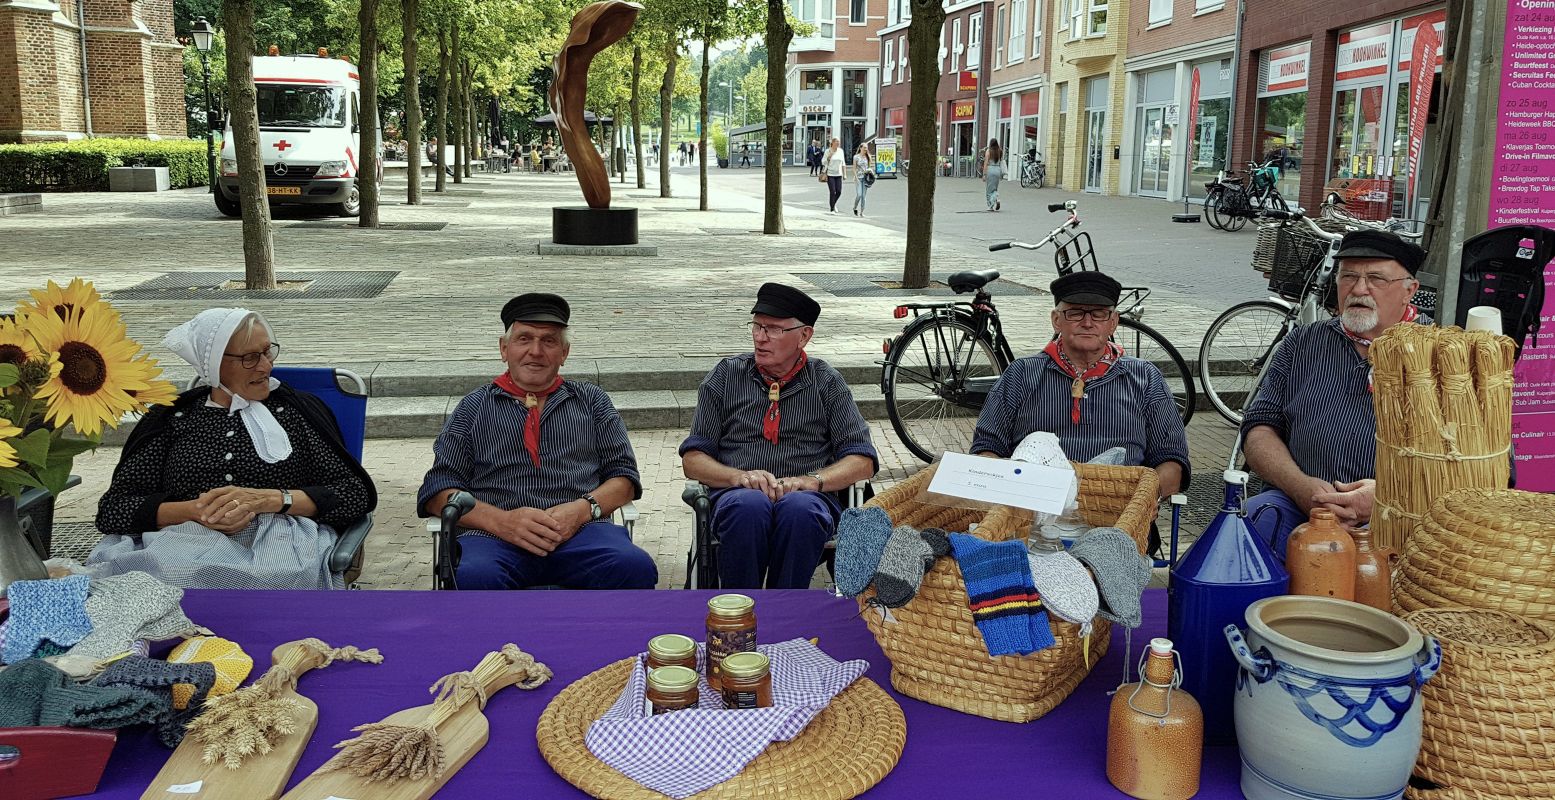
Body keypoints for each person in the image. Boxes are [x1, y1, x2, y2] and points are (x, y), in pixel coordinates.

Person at [90, 309, 377, 589]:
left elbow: (354, 494)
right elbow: (114, 510)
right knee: (156, 579)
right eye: (250, 358)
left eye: (267, 352)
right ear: (213, 363)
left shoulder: (297, 412)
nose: (266, 366)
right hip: (182, 540)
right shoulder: (173, 418)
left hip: (279, 543)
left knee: (274, 580)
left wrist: (270, 500)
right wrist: (194, 512)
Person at [418, 294, 657, 590]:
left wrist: (582, 510)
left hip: (583, 533)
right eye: (524, 339)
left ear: (564, 352)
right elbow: (437, 491)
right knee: (474, 577)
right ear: (504, 349)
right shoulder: (473, 407)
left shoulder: (592, 401)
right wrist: (502, 522)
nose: (536, 351)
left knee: (633, 567)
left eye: (549, 341)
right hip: (493, 539)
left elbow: (624, 478)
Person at [1240, 230, 1431, 557]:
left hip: (1403, 517)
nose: (1359, 289)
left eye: (1375, 278)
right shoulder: (1304, 341)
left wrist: (1389, 498)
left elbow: (1492, 471)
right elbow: (1259, 429)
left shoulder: (1444, 354)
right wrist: (1301, 487)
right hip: (1299, 506)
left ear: (1409, 290)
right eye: (1349, 277)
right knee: (1250, 522)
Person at [971, 272, 1190, 550]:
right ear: (1056, 319)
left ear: (1113, 322)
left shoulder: (1145, 377)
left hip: (1118, 523)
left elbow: (1173, 462)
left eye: (1099, 314)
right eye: (1075, 313)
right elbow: (985, 450)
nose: (1088, 322)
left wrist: (1147, 498)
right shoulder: (1022, 374)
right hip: (1030, 526)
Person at [680, 283, 878, 589]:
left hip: (808, 496)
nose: (760, 337)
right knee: (748, 506)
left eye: (773, 329)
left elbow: (862, 460)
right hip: (736, 494)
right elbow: (694, 459)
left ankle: (787, 605)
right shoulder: (726, 376)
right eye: (757, 326)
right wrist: (738, 477)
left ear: (804, 335)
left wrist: (812, 481)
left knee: (800, 510)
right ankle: (740, 606)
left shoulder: (826, 382)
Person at [822, 137, 846, 215]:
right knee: (832, 191)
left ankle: (833, 203)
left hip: (838, 174)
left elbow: (843, 163)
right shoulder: (827, 151)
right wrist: (829, 157)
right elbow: (823, 162)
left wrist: (844, 174)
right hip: (830, 174)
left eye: (838, 142)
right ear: (832, 143)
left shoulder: (840, 151)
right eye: (836, 141)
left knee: (839, 191)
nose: (838, 143)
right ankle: (832, 209)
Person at [852, 142, 872, 217]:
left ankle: (862, 212)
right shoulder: (856, 157)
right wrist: (856, 177)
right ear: (860, 148)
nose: (865, 149)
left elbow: (869, 167)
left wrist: (870, 171)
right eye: (864, 147)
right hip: (858, 178)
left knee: (864, 196)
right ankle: (854, 207)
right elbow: (854, 168)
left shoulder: (868, 157)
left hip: (866, 178)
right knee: (859, 194)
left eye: (866, 148)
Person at [984, 138, 1004, 212]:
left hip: (990, 170)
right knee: (994, 188)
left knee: (989, 189)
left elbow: (986, 163)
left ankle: (991, 206)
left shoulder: (988, 151)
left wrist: (984, 174)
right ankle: (996, 197)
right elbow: (1001, 161)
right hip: (997, 170)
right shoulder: (1000, 151)